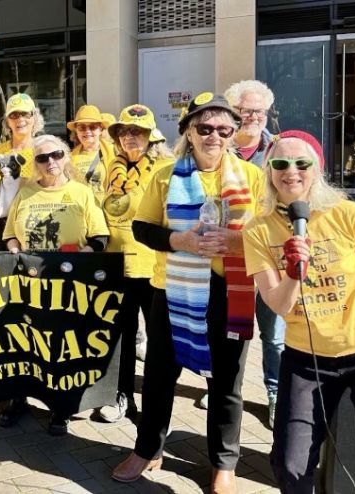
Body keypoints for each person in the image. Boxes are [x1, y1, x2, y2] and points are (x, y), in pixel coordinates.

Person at [111, 93, 264, 493]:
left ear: (233, 134)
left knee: (227, 382)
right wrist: (179, 240)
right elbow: (142, 229)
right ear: (188, 131)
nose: (213, 135)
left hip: (232, 290)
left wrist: (233, 241)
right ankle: (147, 450)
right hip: (173, 289)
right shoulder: (165, 174)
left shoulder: (252, 177)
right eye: (204, 127)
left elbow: (269, 233)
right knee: (161, 375)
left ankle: (223, 464)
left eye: (223, 129)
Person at [242, 130, 355, 492]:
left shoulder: (348, 213)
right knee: (291, 467)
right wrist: (294, 271)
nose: (290, 170)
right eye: (280, 163)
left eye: (301, 163)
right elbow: (279, 304)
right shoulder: (258, 230)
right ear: (268, 172)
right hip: (306, 360)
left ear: (317, 169)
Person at [0, 134, 109, 436]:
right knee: (23, 343)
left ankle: (60, 407)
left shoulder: (81, 192)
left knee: (59, 348)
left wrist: (78, 261)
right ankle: (17, 399)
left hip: (67, 287)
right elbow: (9, 234)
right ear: (34, 163)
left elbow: (100, 238)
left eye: (56, 155)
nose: (50, 162)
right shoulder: (25, 193)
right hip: (29, 285)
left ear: (66, 157)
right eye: (42, 158)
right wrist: (14, 250)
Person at [96, 104, 173, 423]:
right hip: (117, 265)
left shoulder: (167, 167)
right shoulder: (109, 166)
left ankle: (156, 408)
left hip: (154, 268)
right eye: (125, 131)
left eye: (138, 132)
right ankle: (121, 395)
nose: (131, 137)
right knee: (121, 338)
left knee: (157, 343)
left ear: (150, 137)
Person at [223, 79, 283, 426]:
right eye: (246, 110)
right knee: (232, 329)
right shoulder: (219, 148)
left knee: (273, 334)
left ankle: (274, 392)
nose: (253, 117)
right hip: (230, 257)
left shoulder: (278, 149)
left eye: (259, 110)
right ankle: (229, 388)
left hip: (271, 256)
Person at [0, 93, 44, 180]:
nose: (20, 119)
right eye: (14, 115)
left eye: (25, 114)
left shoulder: (44, 151)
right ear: (7, 121)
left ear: (34, 118)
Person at [68, 105, 115, 205]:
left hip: (106, 213)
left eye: (93, 127)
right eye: (82, 127)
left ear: (100, 129)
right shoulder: (68, 158)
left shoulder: (115, 152)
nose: (87, 131)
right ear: (76, 131)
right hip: (80, 211)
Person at [343, 106, 355, 177]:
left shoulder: (345, 119)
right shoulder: (354, 120)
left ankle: (344, 170)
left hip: (345, 140)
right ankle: (353, 170)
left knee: (345, 157)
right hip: (352, 141)